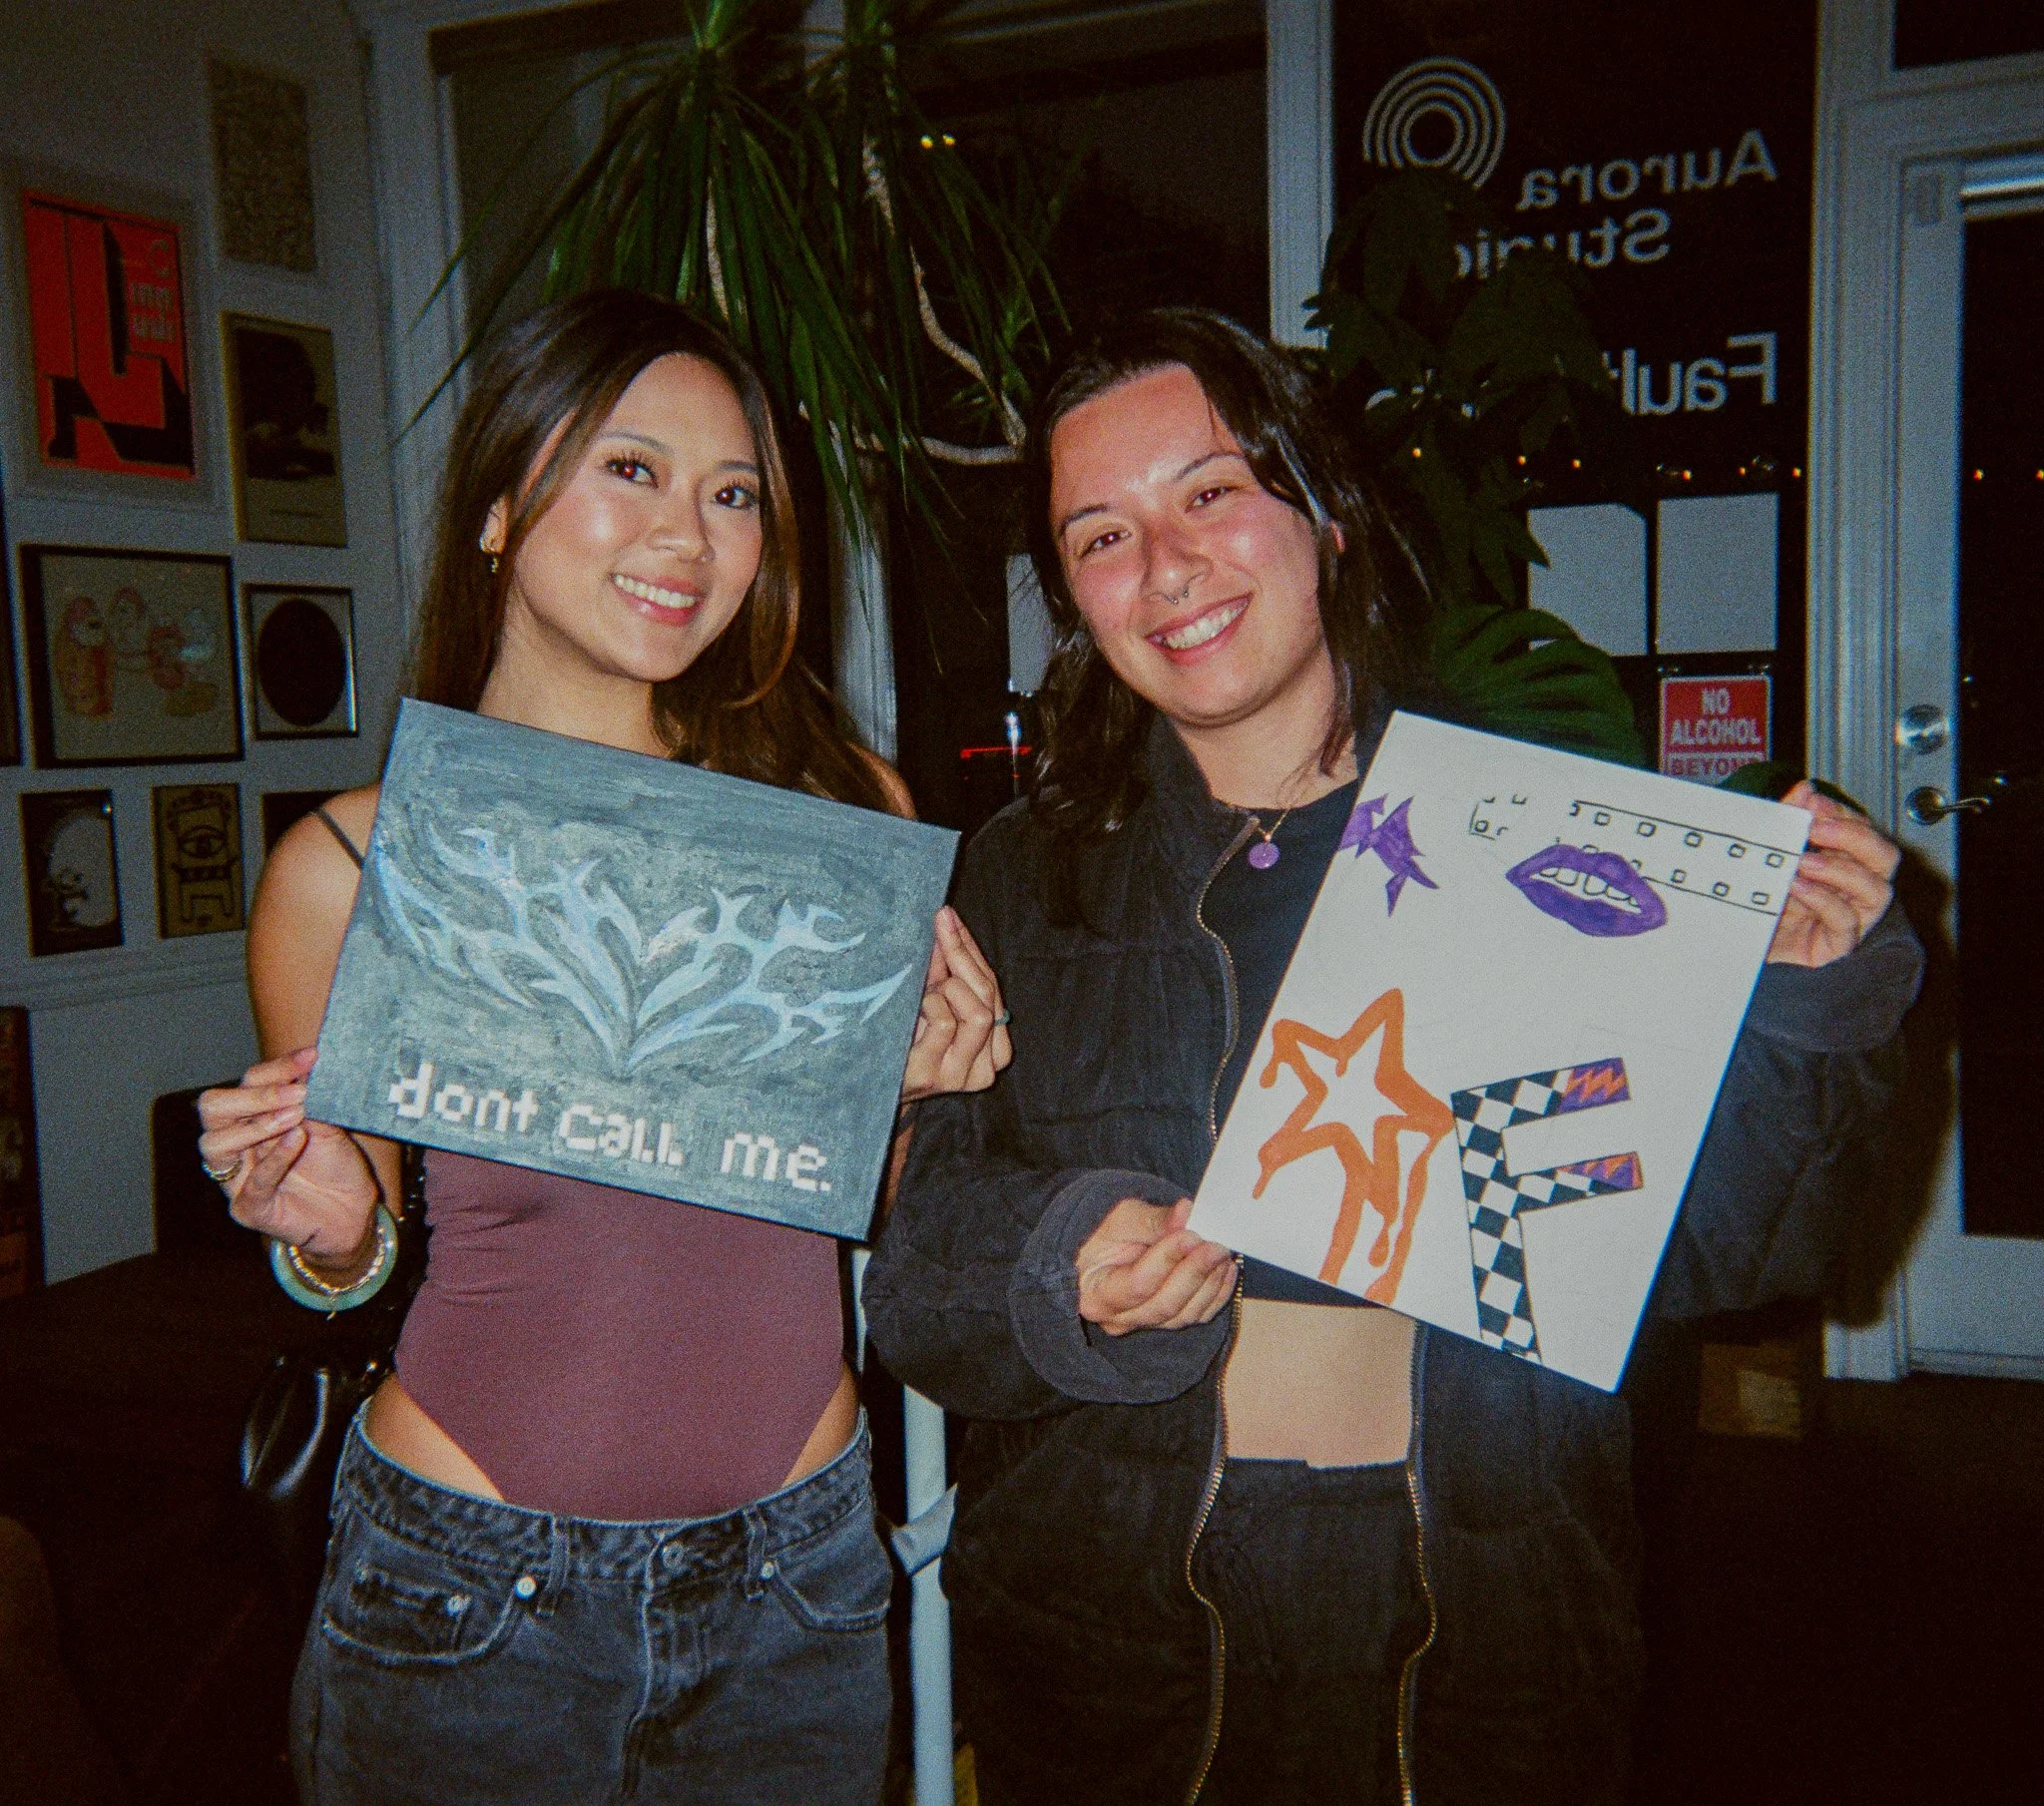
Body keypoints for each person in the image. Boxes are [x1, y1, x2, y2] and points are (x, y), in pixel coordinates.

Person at [861, 307, 1921, 1806]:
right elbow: (917, 1288)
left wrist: (1811, 1000)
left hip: (1485, 1614)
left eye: (1211, 491)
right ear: (1073, 600)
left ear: (1328, 514)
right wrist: (1054, 1268)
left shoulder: (1540, 847)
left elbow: (1745, 1249)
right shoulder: (1020, 881)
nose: (1166, 566)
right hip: (1115, 1632)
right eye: (1102, 535)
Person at [197, 290, 1009, 1806]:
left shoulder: (839, 820)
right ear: (498, 505)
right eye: (631, 468)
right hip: (467, 1588)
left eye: (734, 494)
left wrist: (909, 1095)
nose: (687, 536)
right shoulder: (354, 866)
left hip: (799, 1583)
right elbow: (351, 1252)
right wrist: (329, 1231)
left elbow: (861, 1211)